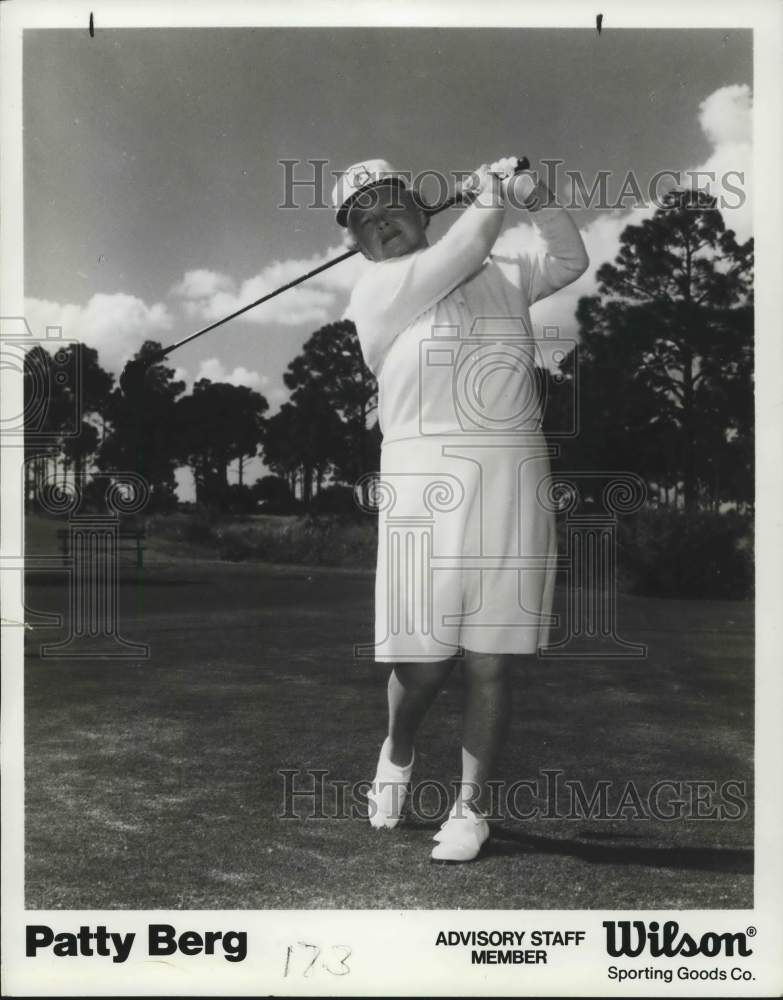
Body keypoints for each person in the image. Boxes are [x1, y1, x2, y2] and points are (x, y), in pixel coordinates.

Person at [333, 156, 588, 862]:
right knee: (422, 665)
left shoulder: (500, 267)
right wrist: (490, 194)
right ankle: (397, 749)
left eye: (389, 207)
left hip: (511, 465)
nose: (379, 226)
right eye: (362, 222)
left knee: (489, 658)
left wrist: (528, 195)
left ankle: (470, 810)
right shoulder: (378, 289)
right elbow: (465, 245)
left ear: (421, 207)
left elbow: (566, 257)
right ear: (355, 243)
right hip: (420, 473)